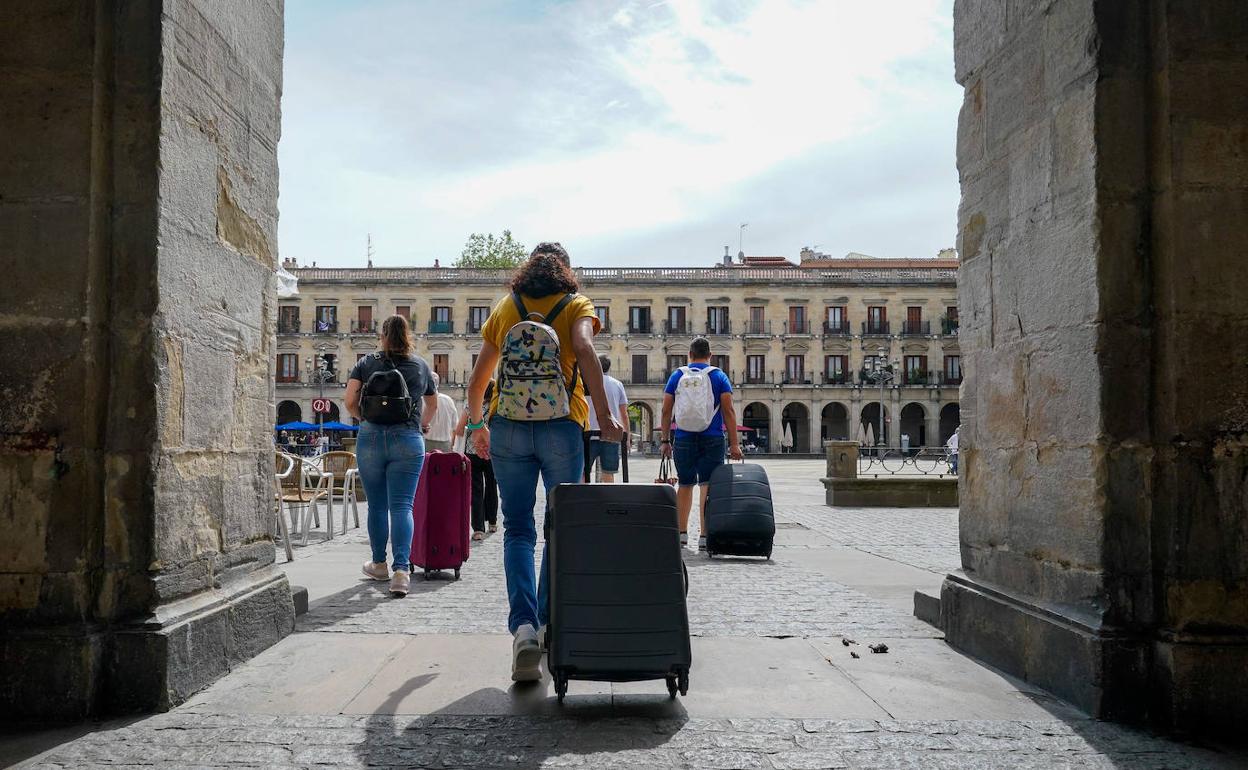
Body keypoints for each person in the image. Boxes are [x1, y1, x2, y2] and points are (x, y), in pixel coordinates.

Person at [464, 243, 623, 682]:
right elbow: (585, 350)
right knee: (560, 526)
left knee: (517, 529)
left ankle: (523, 629)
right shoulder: (576, 304)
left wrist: (477, 426)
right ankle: (546, 623)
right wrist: (605, 414)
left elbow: (477, 381)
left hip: (508, 426)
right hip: (561, 427)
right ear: (566, 271)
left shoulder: (506, 308)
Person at [345, 314, 438, 598]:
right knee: (402, 507)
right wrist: (422, 424)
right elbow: (432, 404)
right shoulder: (420, 365)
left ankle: (378, 564)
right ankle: (401, 572)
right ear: (408, 335)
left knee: (376, 505)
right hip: (408, 438)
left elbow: (349, 401)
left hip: (371, 438)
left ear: (382, 336)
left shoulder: (366, 363)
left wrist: (365, 419)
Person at [660, 337, 743, 552]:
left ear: (690, 355)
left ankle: (681, 534)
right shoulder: (718, 376)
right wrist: (734, 444)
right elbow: (729, 411)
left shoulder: (678, 375)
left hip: (683, 437)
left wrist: (665, 440)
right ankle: (705, 535)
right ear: (710, 355)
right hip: (712, 437)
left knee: (685, 484)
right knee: (707, 485)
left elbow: (666, 410)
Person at [454, 380, 499, 541]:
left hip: (472, 451)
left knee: (476, 490)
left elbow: (459, 429)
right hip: (493, 451)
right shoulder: (497, 407)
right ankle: (492, 522)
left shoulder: (471, 407)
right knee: (492, 486)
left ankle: (478, 529)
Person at [584, 355, 629, 483]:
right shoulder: (617, 384)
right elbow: (624, 414)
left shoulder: (586, 383)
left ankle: (583, 495)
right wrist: (627, 436)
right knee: (608, 473)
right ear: (609, 367)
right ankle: (608, 495)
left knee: (584, 472)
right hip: (611, 435)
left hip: (588, 435)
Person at [424, 372, 458, 452]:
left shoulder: (422, 400)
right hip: (445, 444)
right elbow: (455, 426)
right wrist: (452, 445)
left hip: (426, 442)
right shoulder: (449, 400)